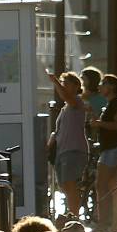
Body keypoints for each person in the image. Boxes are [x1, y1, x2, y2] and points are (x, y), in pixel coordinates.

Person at [90, 73, 117, 232]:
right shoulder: (111, 104)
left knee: (101, 185)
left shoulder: (115, 104)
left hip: (112, 149)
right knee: (114, 185)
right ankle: (116, 224)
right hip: (112, 149)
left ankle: (103, 224)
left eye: (103, 83)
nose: (100, 86)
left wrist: (99, 123)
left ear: (112, 87)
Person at [49, 72, 90, 220]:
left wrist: (55, 82)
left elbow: (68, 98)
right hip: (62, 151)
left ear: (76, 86)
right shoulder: (64, 108)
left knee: (71, 184)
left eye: (66, 83)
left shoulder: (77, 102)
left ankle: (74, 217)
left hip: (74, 150)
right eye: (62, 83)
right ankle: (71, 214)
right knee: (65, 185)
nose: (63, 86)